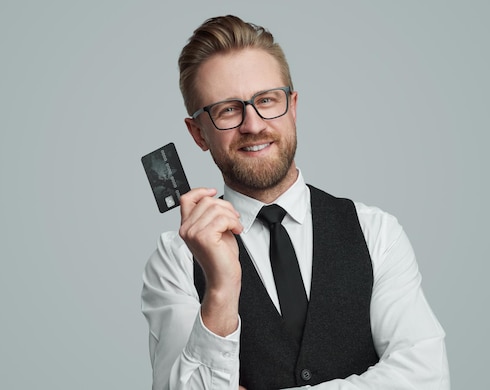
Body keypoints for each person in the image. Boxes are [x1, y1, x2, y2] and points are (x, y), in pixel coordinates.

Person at [141, 15, 449, 390]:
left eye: (267, 100)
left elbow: (426, 379)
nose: (253, 125)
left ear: (293, 107)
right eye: (228, 110)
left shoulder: (376, 232)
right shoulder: (175, 258)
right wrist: (221, 289)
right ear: (198, 134)